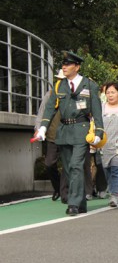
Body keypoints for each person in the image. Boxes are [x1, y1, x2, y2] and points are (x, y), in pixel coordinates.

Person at [36, 51, 104, 216]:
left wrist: (99, 132)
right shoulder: (59, 86)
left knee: (75, 166)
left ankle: (73, 204)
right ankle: (81, 203)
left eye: (68, 64)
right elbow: (50, 108)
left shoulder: (89, 85)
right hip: (64, 131)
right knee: (68, 169)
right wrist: (43, 128)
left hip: (81, 130)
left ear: (77, 67)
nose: (64, 67)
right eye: (63, 65)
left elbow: (97, 111)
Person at [34, 69, 67, 202]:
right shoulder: (51, 94)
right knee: (49, 163)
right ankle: (58, 187)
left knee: (67, 165)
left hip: (68, 135)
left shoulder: (74, 94)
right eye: (60, 80)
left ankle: (65, 193)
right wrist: (38, 128)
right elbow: (42, 112)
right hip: (52, 135)